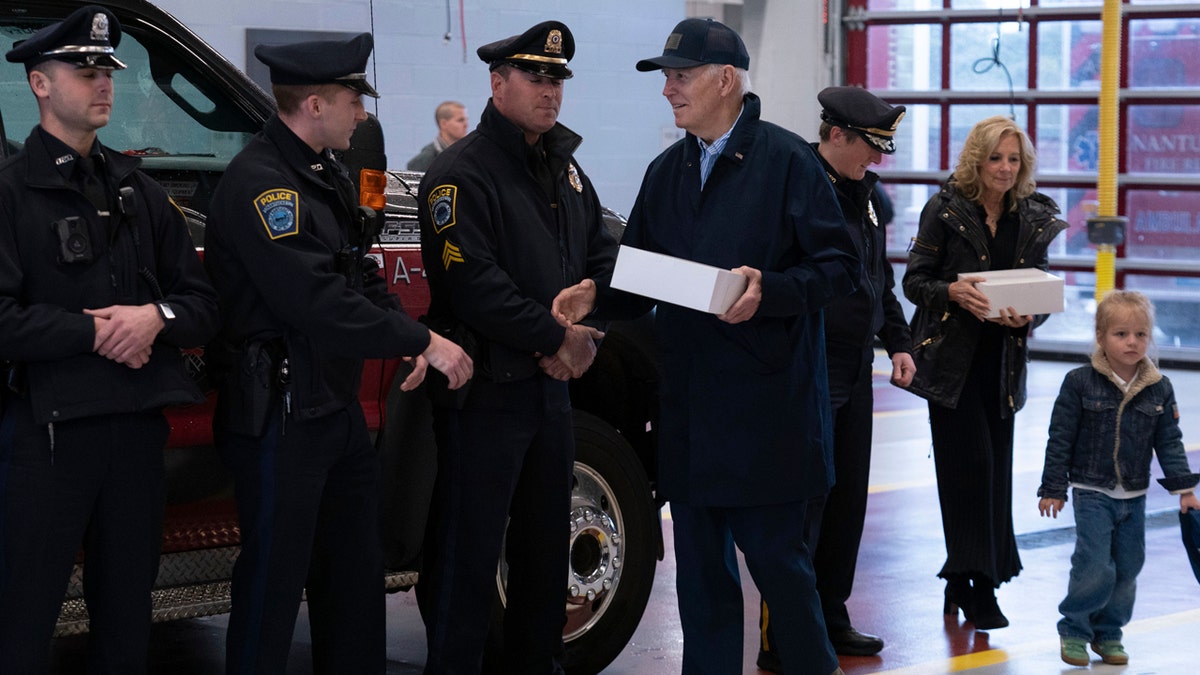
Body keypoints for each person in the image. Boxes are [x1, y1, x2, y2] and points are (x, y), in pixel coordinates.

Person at [556, 18, 858, 675]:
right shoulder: (666, 172)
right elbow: (638, 277)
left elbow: (840, 269)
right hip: (690, 416)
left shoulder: (787, 164)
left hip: (768, 415)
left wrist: (768, 288)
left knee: (783, 577)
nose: (668, 89)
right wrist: (592, 296)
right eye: (665, 76)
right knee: (701, 589)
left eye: (680, 75)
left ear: (727, 81)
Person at [203, 33, 472, 674]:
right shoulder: (265, 187)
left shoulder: (325, 175)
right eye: (354, 98)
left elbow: (360, 274)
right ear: (315, 104)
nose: (364, 113)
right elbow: (318, 302)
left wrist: (404, 336)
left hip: (332, 409)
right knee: (271, 584)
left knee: (354, 579)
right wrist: (423, 341)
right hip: (280, 414)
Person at [0, 5, 220, 672]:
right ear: (40, 84)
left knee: (128, 618)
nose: (103, 83)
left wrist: (155, 318)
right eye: (85, 68)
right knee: (24, 619)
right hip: (49, 438)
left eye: (107, 70)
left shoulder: (140, 192)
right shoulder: (11, 195)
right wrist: (94, 330)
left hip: (134, 435)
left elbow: (203, 305)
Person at [414, 21, 616, 674]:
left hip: (550, 396)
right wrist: (557, 336)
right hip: (486, 398)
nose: (549, 90)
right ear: (498, 83)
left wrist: (586, 331)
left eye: (557, 78)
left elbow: (605, 254)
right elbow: (474, 285)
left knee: (540, 559)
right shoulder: (457, 176)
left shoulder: (566, 169)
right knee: (465, 562)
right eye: (536, 76)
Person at [755, 86, 914, 670]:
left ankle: (831, 613)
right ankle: (783, 634)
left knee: (847, 501)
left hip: (855, 368)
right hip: (808, 366)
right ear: (837, 136)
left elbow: (878, 280)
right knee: (803, 509)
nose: (877, 159)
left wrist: (897, 341)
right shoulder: (798, 188)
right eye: (870, 147)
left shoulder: (864, 196)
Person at [902, 115, 1067, 630]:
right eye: (996, 157)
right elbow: (915, 282)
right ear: (977, 159)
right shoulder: (946, 208)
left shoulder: (1032, 215)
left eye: (1014, 159)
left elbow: (1037, 291)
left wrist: (1029, 316)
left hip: (1002, 365)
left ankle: (965, 576)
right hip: (950, 368)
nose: (1004, 168)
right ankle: (979, 587)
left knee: (992, 474)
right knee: (967, 472)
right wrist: (951, 291)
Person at [1037, 290, 1199, 667]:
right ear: (1100, 336)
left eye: (1141, 335)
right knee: (1094, 564)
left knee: (1128, 567)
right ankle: (1075, 629)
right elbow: (1059, 437)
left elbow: (1169, 441)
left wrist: (1185, 489)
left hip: (1135, 493)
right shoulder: (1079, 382)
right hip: (1092, 491)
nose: (1132, 342)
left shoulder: (1159, 387)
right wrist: (1053, 488)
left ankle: (1109, 632)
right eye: (1121, 334)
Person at [407, 100, 469, 171]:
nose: (466, 125)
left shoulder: (468, 153)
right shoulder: (424, 161)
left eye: (466, 119)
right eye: (460, 120)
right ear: (443, 124)